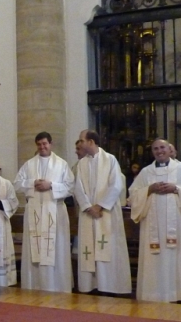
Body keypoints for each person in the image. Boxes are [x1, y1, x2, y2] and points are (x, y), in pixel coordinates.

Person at [14, 132, 75, 292]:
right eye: (39, 144)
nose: (42, 147)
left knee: (55, 248)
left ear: (51, 144)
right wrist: (32, 182)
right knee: (35, 248)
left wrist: (52, 185)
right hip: (35, 213)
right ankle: (34, 284)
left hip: (54, 212)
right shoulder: (29, 164)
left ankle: (57, 286)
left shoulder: (61, 164)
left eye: (45, 144)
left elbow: (71, 187)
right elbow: (17, 184)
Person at [74, 129, 131, 294]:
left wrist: (99, 206)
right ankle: (91, 285)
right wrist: (87, 206)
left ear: (91, 142)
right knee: (89, 248)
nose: (80, 143)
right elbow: (77, 188)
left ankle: (109, 286)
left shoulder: (110, 159)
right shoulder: (82, 163)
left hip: (106, 213)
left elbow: (116, 185)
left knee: (107, 247)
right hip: (88, 214)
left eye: (82, 140)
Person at [128, 138, 181, 301]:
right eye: (156, 149)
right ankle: (153, 294)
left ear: (169, 149)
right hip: (152, 227)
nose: (159, 151)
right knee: (153, 259)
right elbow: (132, 196)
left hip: (176, 226)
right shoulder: (146, 172)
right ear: (153, 152)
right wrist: (149, 189)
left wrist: (176, 188)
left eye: (162, 147)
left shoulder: (179, 169)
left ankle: (175, 294)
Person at [0, 169, 19, 287]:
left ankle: (2, 281)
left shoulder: (6, 183)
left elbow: (14, 202)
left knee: (0, 248)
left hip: (0, 221)